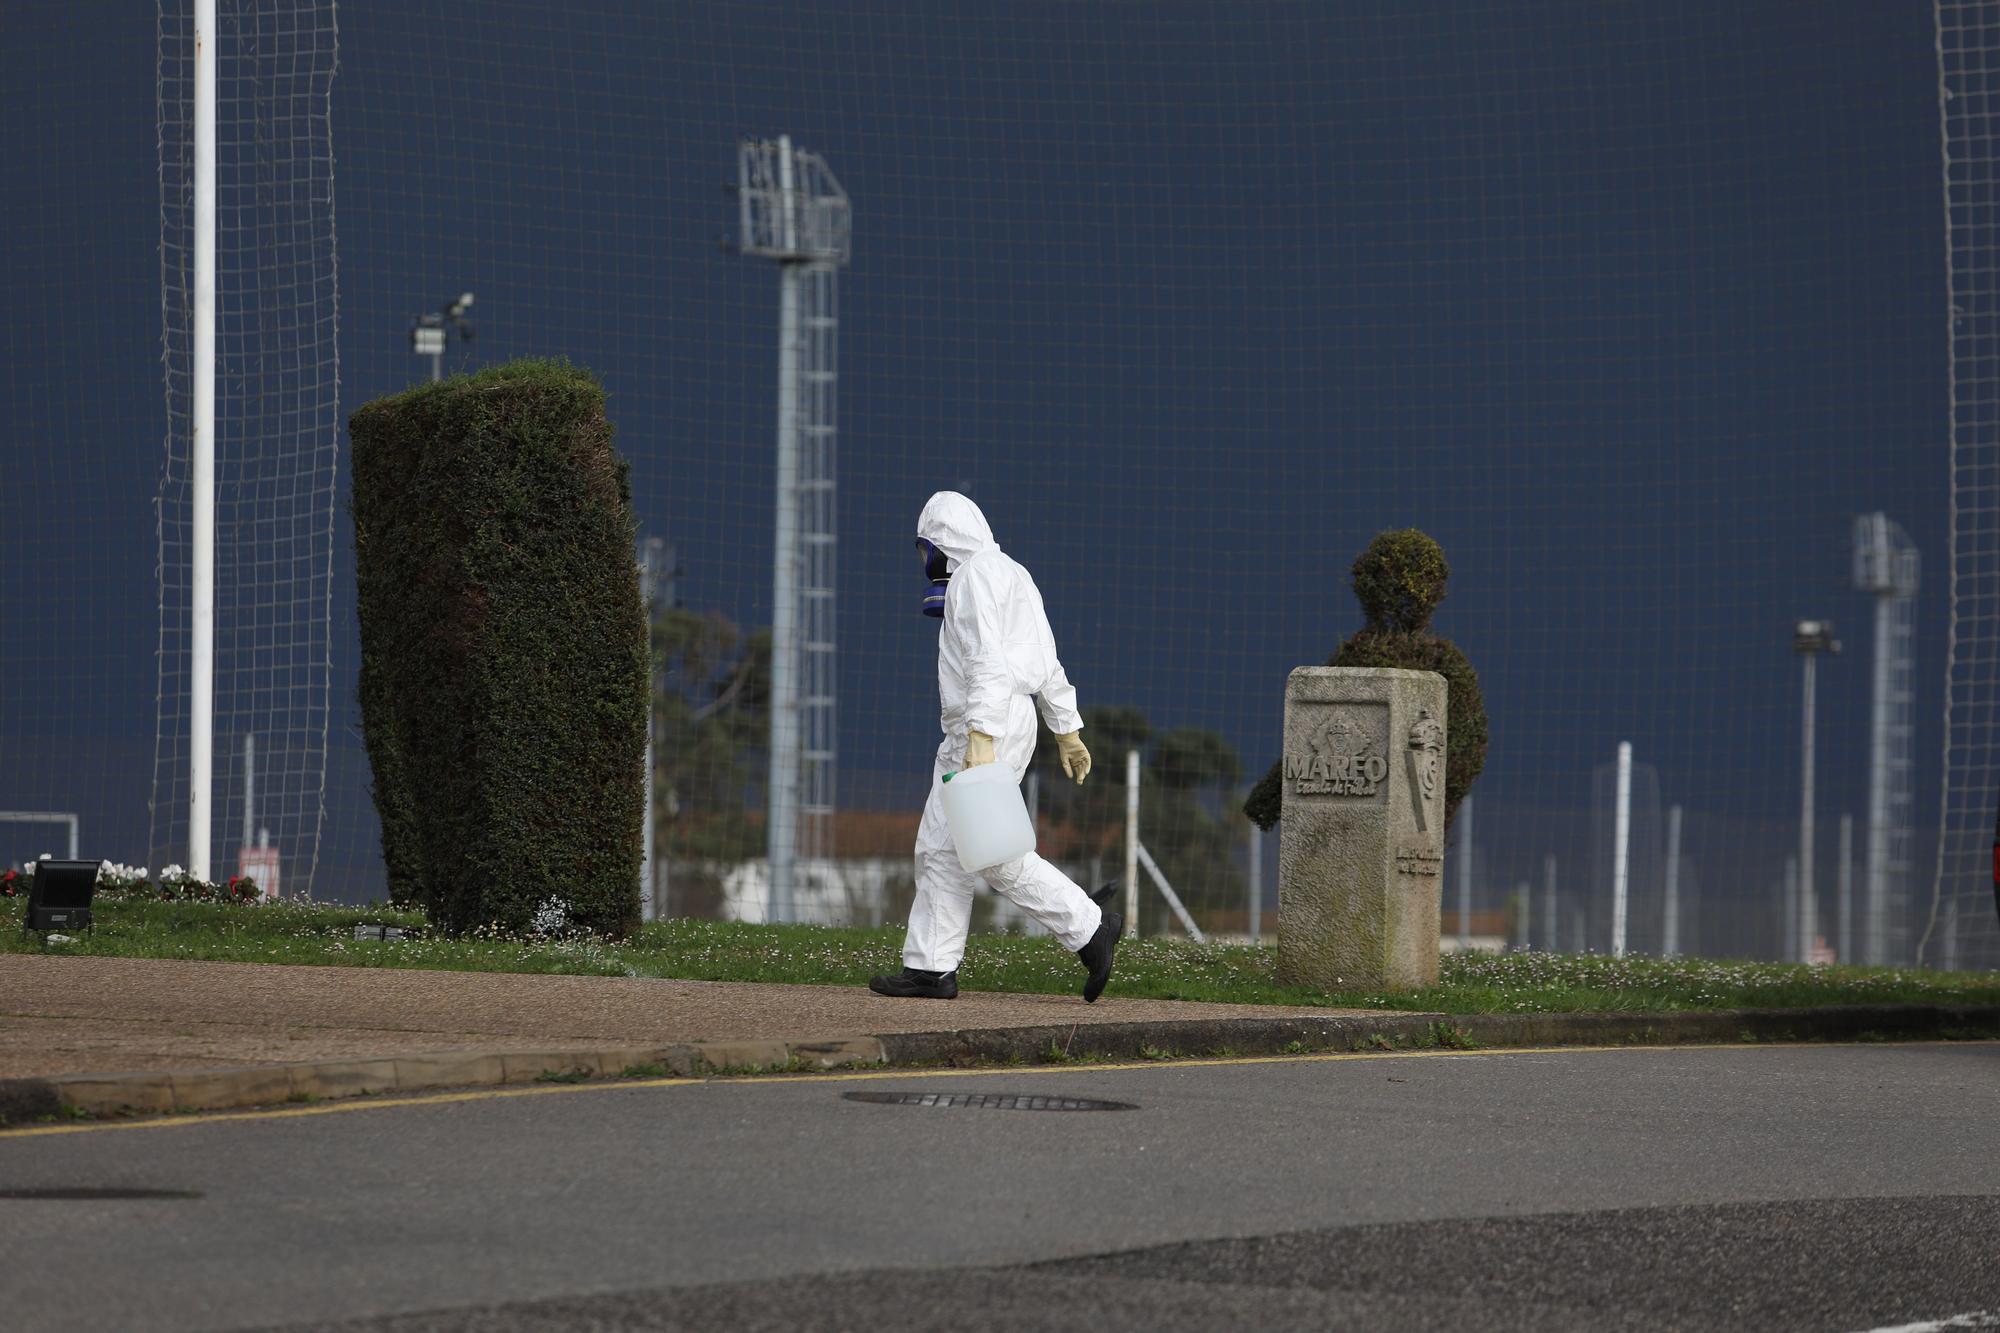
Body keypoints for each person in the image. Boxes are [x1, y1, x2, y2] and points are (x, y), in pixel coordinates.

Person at [869, 491, 1122, 1002]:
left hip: (984, 726)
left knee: (990, 852)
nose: (926, 562)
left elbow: (985, 660)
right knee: (944, 849)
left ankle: (1089, 926)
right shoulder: (1013, 572)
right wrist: (1067, 730)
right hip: (1007, 718)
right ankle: (930, 968)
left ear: (942, 541)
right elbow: (1044, 658)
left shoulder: (971, 580)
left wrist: (980, 738)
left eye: (926, 549)